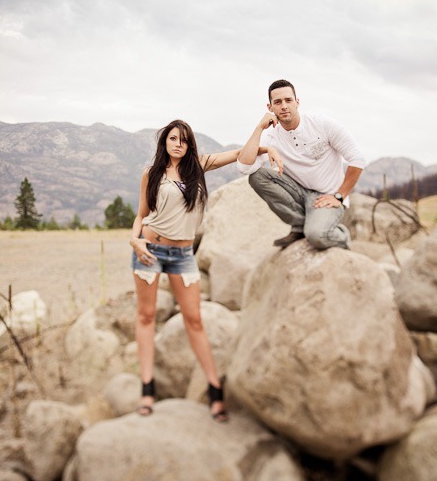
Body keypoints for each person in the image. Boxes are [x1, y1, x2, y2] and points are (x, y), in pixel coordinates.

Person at [130, 119, 246, 423]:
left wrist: (266, 144)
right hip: (149, 251)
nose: (177, 144)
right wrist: (134, 239)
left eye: (183, 139)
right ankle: (147, 388)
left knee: (194, 320)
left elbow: (237, 154)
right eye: (172, 138)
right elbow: (142, 214)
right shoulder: (151, 174)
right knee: (146, 316)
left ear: (189, 143)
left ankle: (214, 388)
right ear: (164, 142)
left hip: (182, 255)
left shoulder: (199, 167)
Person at [237, 79, 367, 250]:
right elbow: (244, 168)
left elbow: (357, 159)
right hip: (299, 193)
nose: (284, 106)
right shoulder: (271, 135)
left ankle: (340, 235)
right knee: (258, 177)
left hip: (327, 197)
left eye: (288, 100)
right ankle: (300, 225)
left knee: (316, 236)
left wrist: (340, 196)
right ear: (270, 108)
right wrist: (259, 128)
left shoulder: (321, 124)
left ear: (297, 103)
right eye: (277, 102)